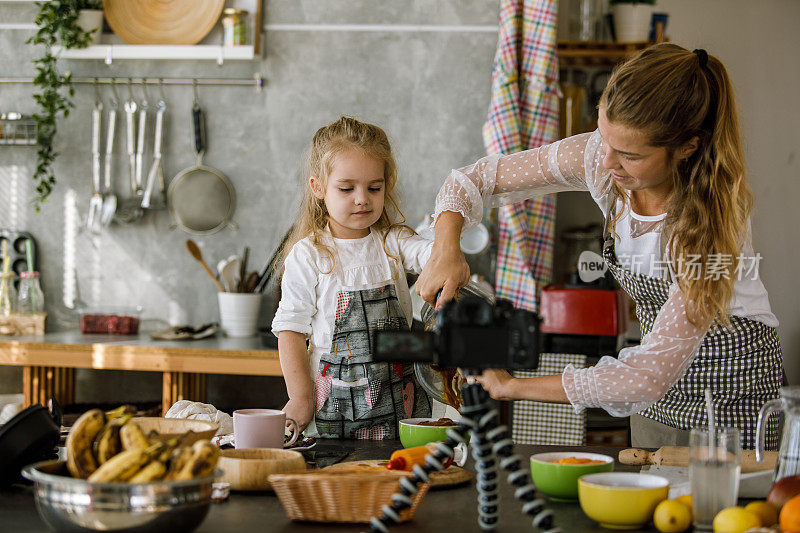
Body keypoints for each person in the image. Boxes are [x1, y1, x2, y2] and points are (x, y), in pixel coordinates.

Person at [416, 43, 783, 449]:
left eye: (629, 155)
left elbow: (645, 377)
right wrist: (445, 249)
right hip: (655, 401)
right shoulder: (603, 159)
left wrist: (512, 387)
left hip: (732, 407)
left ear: (687, 147)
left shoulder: (712, 231)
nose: (606, 162)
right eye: (604, 138)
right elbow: (475, 179)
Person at [271, 116, 433, 439]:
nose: (363, 198)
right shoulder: (310, 255)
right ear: (318, 187)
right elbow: (290, 332)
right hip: (335, 413)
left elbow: (434, 257)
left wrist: (448, 244)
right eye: (347, 188)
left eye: (375, 187)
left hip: (400, 406)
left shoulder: (393, 242)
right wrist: (300, 397)